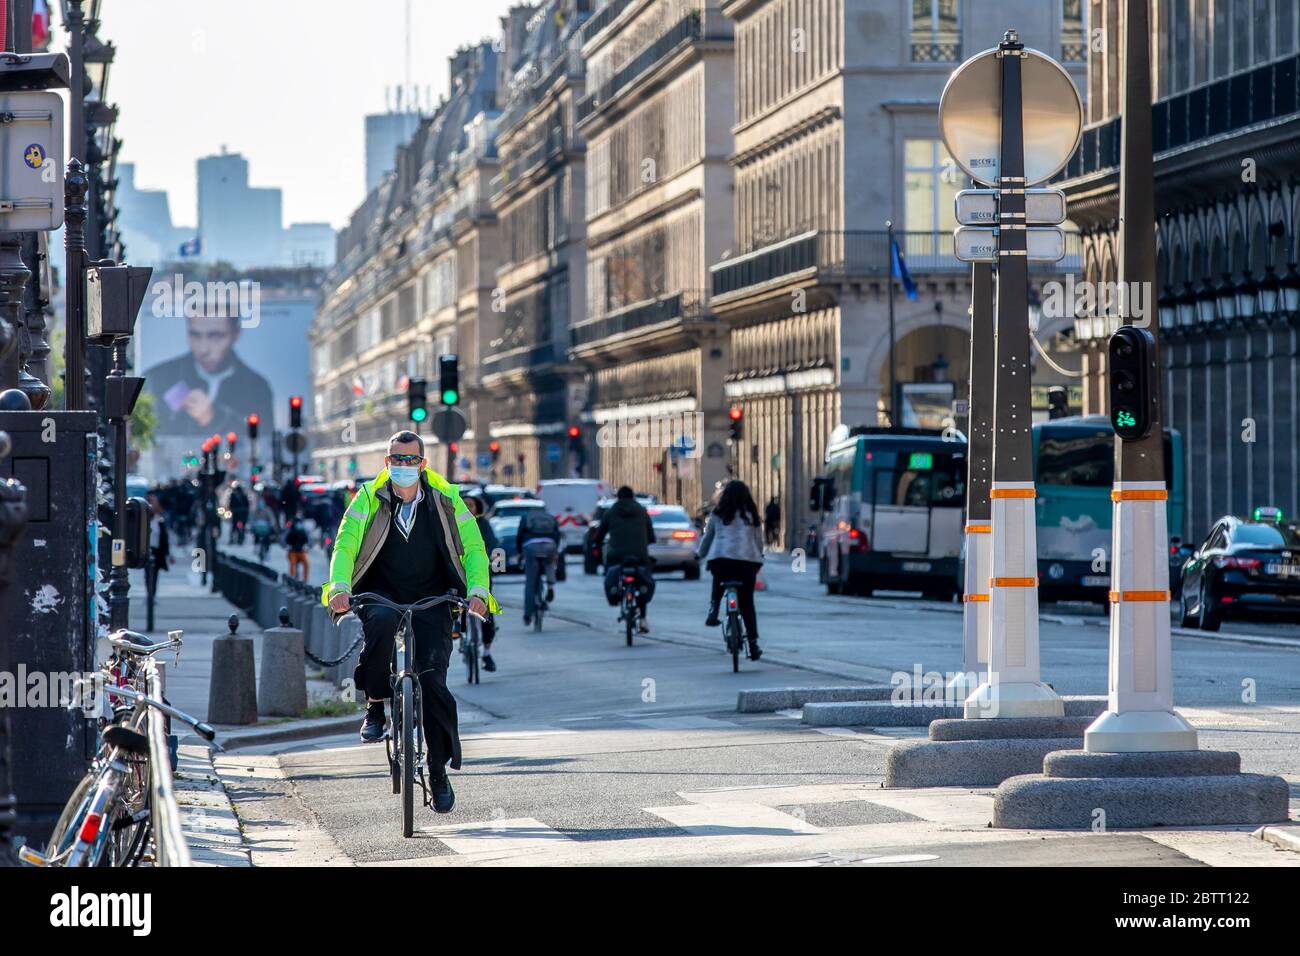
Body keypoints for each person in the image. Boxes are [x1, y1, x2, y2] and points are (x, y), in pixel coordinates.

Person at [323, 431, 497, 815]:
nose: (403, 466)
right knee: (381, 624)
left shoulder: (447, 498)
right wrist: (338, 586)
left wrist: (479, 591)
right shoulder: (368, 497)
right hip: (380, 593)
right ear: (386, 463)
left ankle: (437, 772)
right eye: (396, 459)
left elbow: (473, 548)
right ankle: (375, 702)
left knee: (433, 681)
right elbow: (345, 543)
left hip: (434, 597)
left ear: (423, 463)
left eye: (410, 460)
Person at [143, 313, 274, 438]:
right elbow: (145, 437)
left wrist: (215, 418)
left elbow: (263, 444)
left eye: (215, 337)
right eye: (195, 335)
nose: (203, 349)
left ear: (236, 334)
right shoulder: (157, 378)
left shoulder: (256, 387)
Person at [699, 479, 765, 661]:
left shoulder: (718, 514)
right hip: (747, 562)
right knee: (747, 603)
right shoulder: (751, 514)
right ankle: (753, 644)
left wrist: (701, 554)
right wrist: (760, 555)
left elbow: (708, 538)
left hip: (721, 559)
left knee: (718, 577)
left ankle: (713, 610)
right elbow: (759, 540)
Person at [596, 486, 655, 633]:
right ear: (633, 496)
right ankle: (642, 618)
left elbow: (600, 534)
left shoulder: (610, 512)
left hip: (616, 556)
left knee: (610, 572)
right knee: (642, 580)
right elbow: (651, 537)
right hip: (639, 555)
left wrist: (596, 544)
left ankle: (616, 592)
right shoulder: (642, 511)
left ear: (618, 498)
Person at [463, 494, 500, 671]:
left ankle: (487, 653)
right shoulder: (453, 522)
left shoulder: (482, 524)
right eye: (465, 504)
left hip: (481, 573)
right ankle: (456, 629)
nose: (468, 508)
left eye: (471, 505)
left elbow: (493, 544)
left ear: (477, 507)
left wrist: (494, 559)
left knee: (487, 610)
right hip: (458, 571)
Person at [516, 506, 561, 627]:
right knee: (550, 564)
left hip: (531, 547)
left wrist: (520, 552)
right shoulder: (550, 518)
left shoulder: (526, 518)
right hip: (549, 545)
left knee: (530, 582)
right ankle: (551, 586)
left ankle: (527, 614)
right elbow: (557, 534)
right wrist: (555, 549)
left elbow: (519, 535)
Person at [144, 492, 173, 632]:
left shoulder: (159, 521)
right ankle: (149, 594)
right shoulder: (144, 520)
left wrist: (169, 554)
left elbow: (164, 539)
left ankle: (152, 594)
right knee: (148, 574)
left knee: (154, 574)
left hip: (157, 551)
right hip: (146, 550)